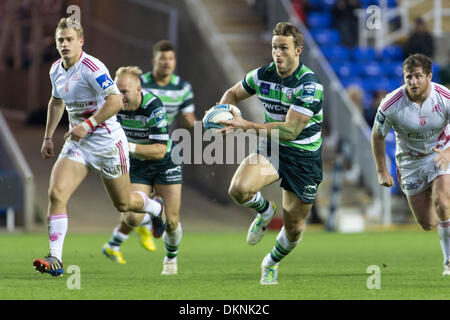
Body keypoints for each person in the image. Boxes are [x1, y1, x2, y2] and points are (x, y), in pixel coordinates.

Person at [33, 18, 166, 277]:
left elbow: (116, 101)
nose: (64, 44)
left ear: (80, 41)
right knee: (56, 193)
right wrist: (48, 137)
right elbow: (56, 101)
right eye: (60, 40)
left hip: (107, 144)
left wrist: (89, 124)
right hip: (79, 146)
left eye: (69, 39)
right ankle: (56, 259)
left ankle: (155, 208)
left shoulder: (92, 68)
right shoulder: (55, 70)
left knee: (125, 205)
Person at [218, 22, 323, 285]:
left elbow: (289, 132)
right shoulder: (262, 75)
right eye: (274, 47)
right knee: (239, 189)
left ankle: (271, 262)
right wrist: (224, 114)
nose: (278, 53)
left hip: (303, 157)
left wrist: (246, 125)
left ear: (298, 50)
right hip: (273, 149)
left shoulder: (310, 86)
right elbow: (232, 93)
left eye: (284, 48)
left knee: (294, 227)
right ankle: (265, 211)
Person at [102, 40, 196, 274]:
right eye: (116, 91)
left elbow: (159, 150)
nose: (119, 96)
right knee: (132, 218)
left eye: (124, 92)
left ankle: (171, 259)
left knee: (172, 222)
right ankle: (155, 208)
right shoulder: (113, 108)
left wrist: (126, 146)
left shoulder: (154, 106)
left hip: (166, 161)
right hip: (138, 166)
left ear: (138, 90)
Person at [371, 53, 450, 275]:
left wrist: (448, 152)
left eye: (417, 76)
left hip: (439, 153)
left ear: (429, 76)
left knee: (443, 203)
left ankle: (448, 262)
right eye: (408, 77)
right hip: (409, 161)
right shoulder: (390, 104)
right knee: (427, 223)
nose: (412, 82)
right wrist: (382, 171)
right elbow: (377, 136)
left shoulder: (445, 97)